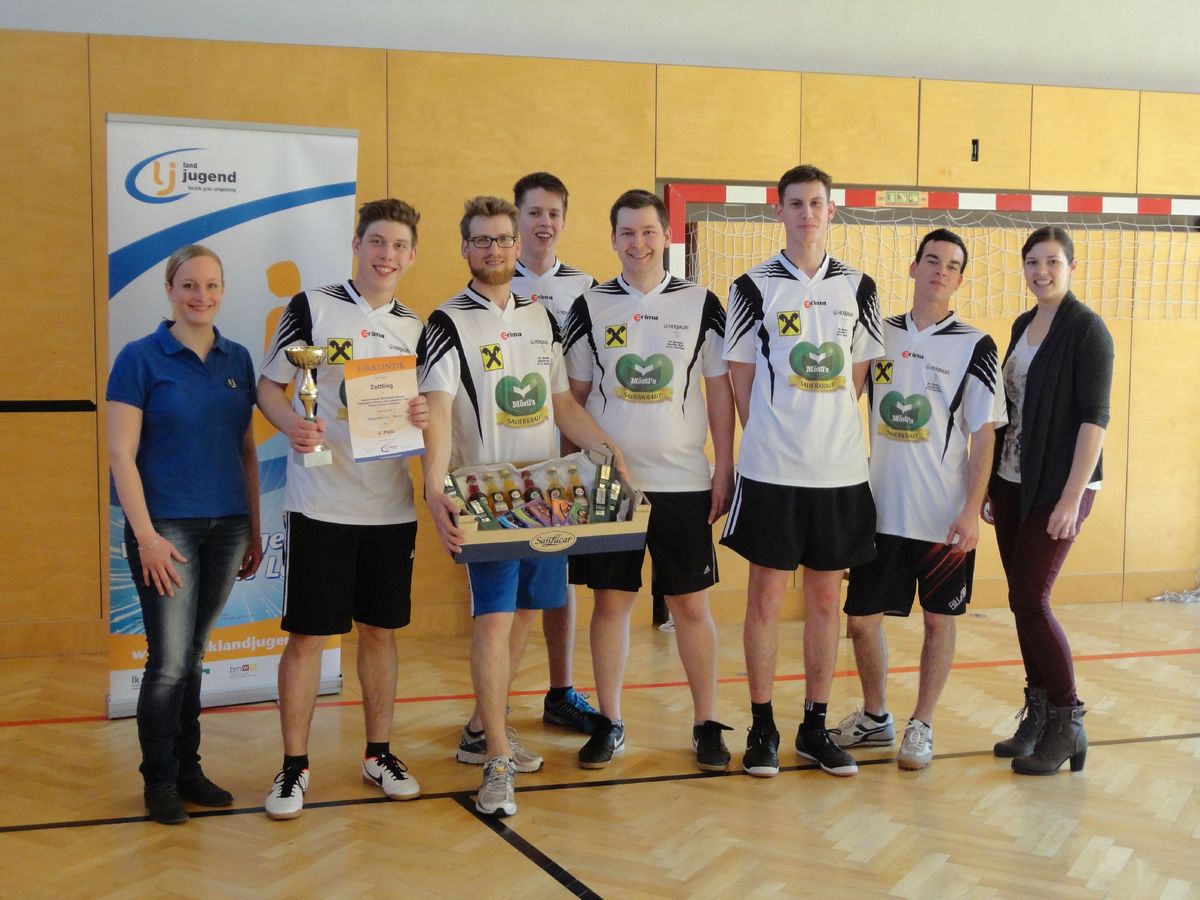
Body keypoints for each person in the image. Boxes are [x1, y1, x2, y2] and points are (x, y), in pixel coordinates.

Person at [419, 196, 624, 818]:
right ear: (465, 248)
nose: (494, 249)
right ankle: (498, 757)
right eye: (482, 240)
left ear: (516, 246)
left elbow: (561, 404)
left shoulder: (542, 320)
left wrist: (606, 449)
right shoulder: (445, 322)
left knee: (529, 613)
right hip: (485, 500)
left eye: (503, 239)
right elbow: (435, 412)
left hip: (547, 499)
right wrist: (434, 488)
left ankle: (481, 729)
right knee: (493, 621)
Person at [256, 199, 430, 819]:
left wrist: (422, 413)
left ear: (412, 256)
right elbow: (270, 387)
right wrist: (292, 427)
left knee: (380, 633)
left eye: (399, 245)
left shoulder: (418, 328)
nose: (387, 255)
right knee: (308, 636)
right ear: (357, 244)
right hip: (320, 503)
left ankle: (378, 754)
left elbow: (430, 410)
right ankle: (293, 767)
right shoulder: (312, 307)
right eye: (377, 241)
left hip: (389, 508)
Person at [562, 189, 735, 770]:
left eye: (648, 232)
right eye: (627, 233)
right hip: (611, 486)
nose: (638, 243)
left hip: (684, 481)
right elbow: (572, 400)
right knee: (611, 604)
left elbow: (718, 391)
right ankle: (610, 721)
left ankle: (706, 722)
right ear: (613, 239)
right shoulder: (588, 306)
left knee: (690, 607)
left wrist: (723, 465)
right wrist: (578, 473)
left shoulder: (702, 303)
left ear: (667, 236)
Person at [721, 164, 883, 778]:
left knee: (824, 600)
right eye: (796, 203)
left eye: (817, 203)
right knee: (765, 598)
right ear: (780, 211)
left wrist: (822, 426)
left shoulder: (860, 287)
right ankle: (762, 725)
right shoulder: (751, 286)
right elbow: (739, 376)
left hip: (839, 472)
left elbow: (858, 376)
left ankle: (815, 726)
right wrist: (773, 430)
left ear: (831, 211)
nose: (807, 213)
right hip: (772, 470)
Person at [831, 229, 1005, 770]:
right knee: (861, 622)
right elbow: (840, 401)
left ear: (959, 279)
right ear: (913, 267)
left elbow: (985, 435)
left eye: (951, 265)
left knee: (937, 621)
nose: (940, 271)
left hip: (942, 518)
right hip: (879, 514)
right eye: (931, 260)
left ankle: (922, 724)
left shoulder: (975, 345)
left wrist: (971, 510)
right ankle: (876, 717)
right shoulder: (877, 334)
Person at [107, 244, 264, 824]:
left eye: (212, 285)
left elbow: (246, 450)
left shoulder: (238, 357)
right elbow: (120, 454)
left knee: (194, 657)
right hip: (165, 529)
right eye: (190, 285)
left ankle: (189, 770)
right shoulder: (139, 357)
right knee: (170, 663)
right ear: (170, 290)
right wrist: (147, 537)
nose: (202, 296)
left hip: (228, 527)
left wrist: (254, 527)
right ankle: (160, 780)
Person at [986, 226, 1113, 775]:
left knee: (1032, 598)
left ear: (1072, 267)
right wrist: (991, 483)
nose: (1042, 271)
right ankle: (1037, 716)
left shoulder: (1087, 330)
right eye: (1033, 262)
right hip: (1013, 481)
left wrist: (1070, 499)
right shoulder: (1023, 325)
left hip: (1059, 487)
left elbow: (1094, 420)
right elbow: (1009, 411)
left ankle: (1067, 719)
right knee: (1020, 599)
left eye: (1053, 262)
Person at [510, 172, 601, 735]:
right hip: (505, 462)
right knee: (503, 592)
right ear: (517, 218)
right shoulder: (493, 282)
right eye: (534, 212)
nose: (544, 223)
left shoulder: (588, 289)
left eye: (553, 213)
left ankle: (561, 689)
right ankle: (490, 707)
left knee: (558, 573)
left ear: (564, 220)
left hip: (565, 458)